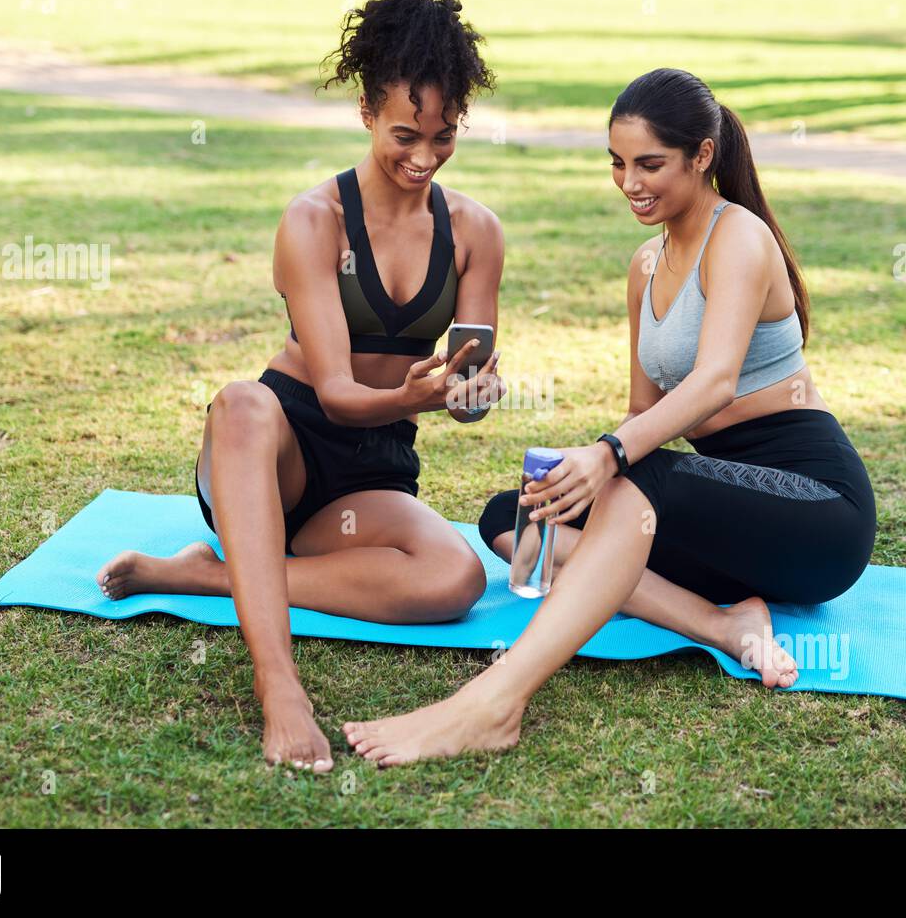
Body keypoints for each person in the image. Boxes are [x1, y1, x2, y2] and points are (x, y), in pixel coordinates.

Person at [343, 68, 876, 767]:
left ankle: (496, 701)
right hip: (717, 511)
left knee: (631, 473)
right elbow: (642, 415)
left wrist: (610, 454)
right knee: (518, 520)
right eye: (618, 164)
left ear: (703, 156)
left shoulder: (739, 238)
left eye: (650, 164)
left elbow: (713, 383)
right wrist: (586, 464)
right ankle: (722, 623)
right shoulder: (645, 264)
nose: (631, 182)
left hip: (814, 510)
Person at [94, 0, 506, 772]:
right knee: (242, 403)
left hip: (370, 472)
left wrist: (469, 394)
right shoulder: (313, 221)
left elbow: (468, 386)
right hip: (280, 454)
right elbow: (337, 393)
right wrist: (407, 394)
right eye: (404, 135)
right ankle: (278, 684)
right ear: (365, 113)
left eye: (445, 135)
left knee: (456, 577)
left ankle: (216, 576)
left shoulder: (477, 233)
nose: (425, 157)